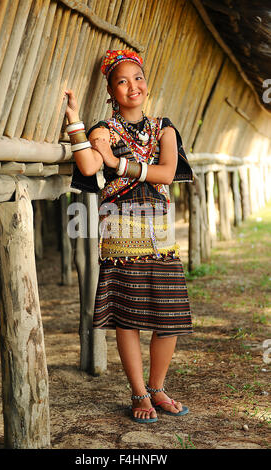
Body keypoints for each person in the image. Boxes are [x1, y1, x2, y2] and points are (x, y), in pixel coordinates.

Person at [64, 50, 193, 424]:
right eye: (122, 81)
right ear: (110, 90)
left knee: (168, 318)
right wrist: (75, 120)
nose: (132, 86)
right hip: (120, 236)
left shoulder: (163, 128)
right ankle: (139, 394)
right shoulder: (102, 128)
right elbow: (89, 164)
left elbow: (166, 174)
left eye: (137, 78)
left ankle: (158, 387)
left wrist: (118, 163)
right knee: (128, 319)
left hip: (161, 235)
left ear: (146, 84)